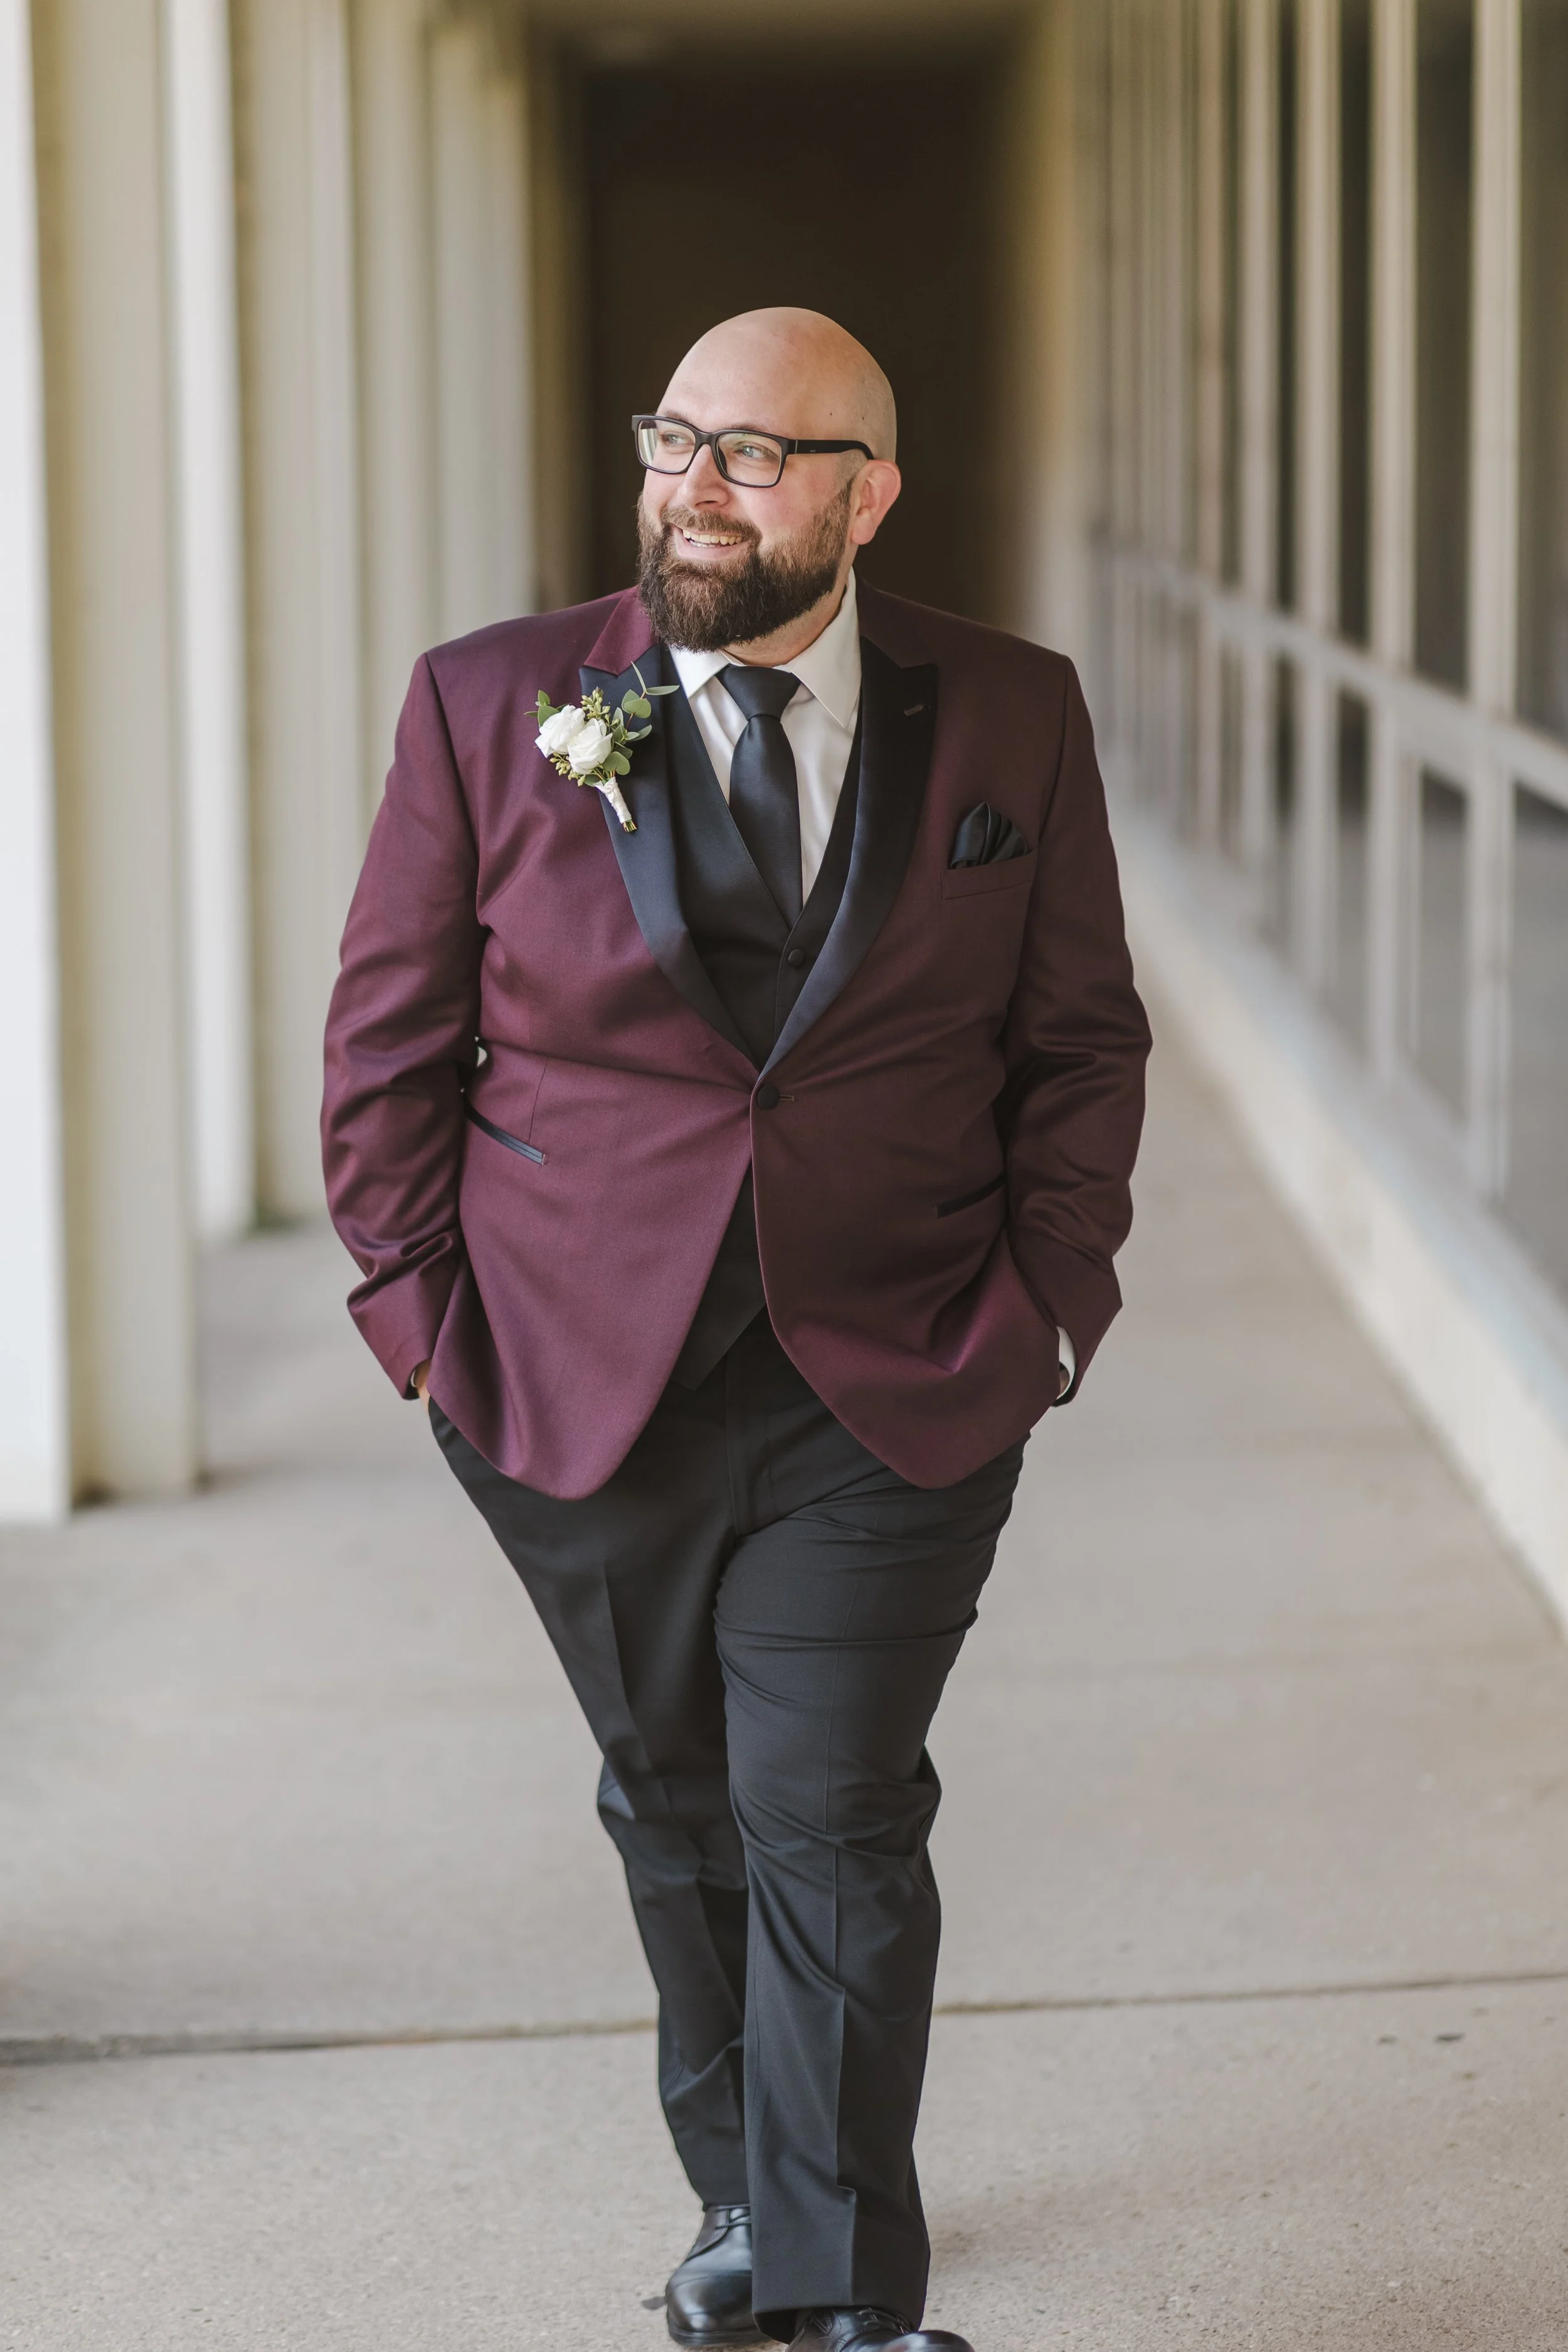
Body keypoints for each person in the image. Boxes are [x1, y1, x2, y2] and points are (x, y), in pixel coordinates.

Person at [322, 307, 1150, 2352]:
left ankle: (845, 2293)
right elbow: (388, 1043)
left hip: (902, 1362)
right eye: (675, 438)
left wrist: (1051, 1294)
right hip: (567, 1376)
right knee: (671, 1793)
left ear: (870, 491)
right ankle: (736, 2188)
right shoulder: (491, 701)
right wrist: (424, 1320)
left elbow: (1076, 1035)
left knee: (836, 1803)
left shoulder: (1013, 711)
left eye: (758, 453)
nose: (697, 486)